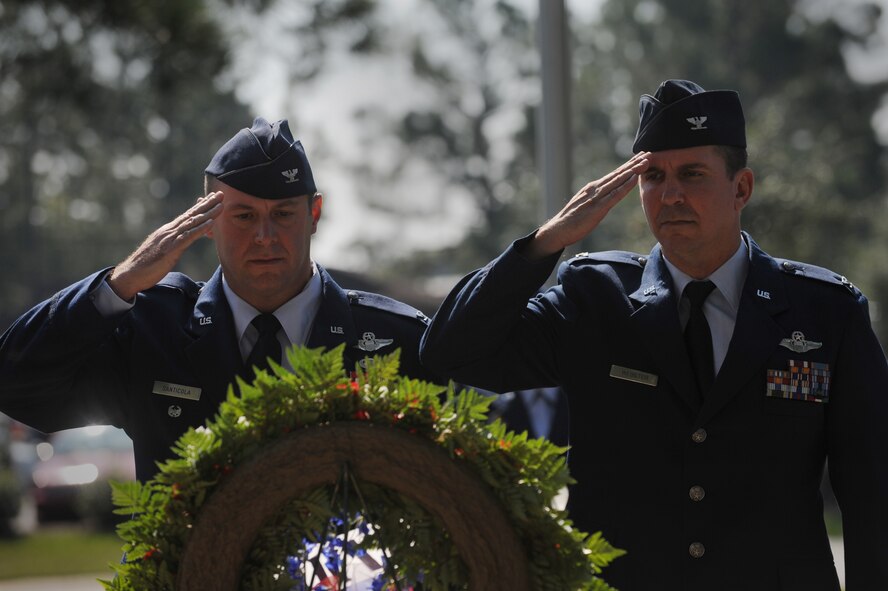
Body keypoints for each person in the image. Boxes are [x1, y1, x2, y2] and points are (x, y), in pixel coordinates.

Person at [420, 80, 888, 589]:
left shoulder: (824, 314)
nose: (669, 195)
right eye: (653, 177)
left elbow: (873, 492)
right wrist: (546, 242)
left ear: (741, 188)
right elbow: (452, 353)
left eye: (692, 174)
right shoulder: (596, 300)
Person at [0, 117, 439, 483]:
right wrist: (120, 283)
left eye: (283, 214)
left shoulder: (391, 339)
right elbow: (15, 384)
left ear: (314, 214)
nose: (265, 237)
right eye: (244, 216)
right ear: (206, 221)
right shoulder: (154, 328)